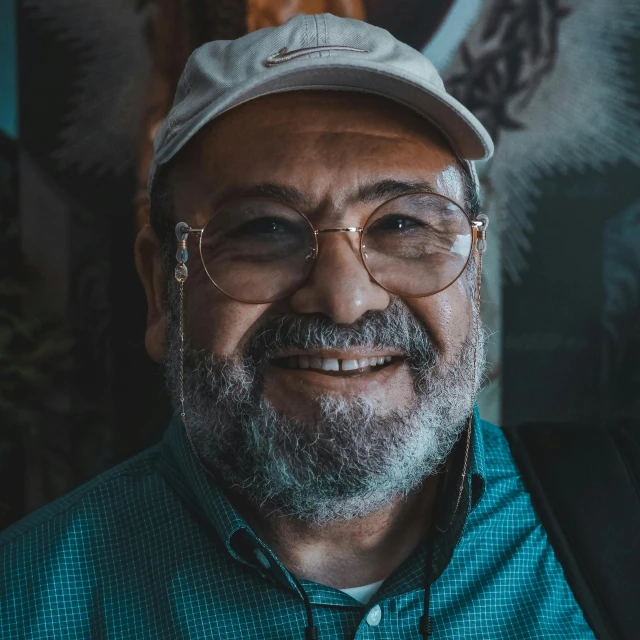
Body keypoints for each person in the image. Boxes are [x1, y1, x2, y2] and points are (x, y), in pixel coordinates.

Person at [0, 14, 596, 639]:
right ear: (160, 288)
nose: (344, 299)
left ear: (472, 271)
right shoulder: (24, 602)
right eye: (265, 230)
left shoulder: (612, 539)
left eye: (403, 226)